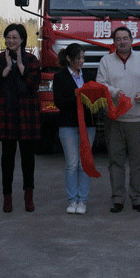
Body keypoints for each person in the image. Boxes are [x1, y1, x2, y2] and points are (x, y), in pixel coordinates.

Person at [97, 26, 140, 214]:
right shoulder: (106, 61)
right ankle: (118, 198)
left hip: (138, 119)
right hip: (115, 120)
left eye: (125, 38)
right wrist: (114, 92)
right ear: (113, 42)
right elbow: (100, 84)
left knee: (138, 162)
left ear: (132, 40)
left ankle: (138, 198)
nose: (122, 42)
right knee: (116, 161)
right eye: (118, 39)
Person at [0, 23, 42, 213]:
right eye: (8, 37)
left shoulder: (32, 60)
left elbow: (35, 83)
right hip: (6, 114)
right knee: (7, 158)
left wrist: (20, 67)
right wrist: (5, 71)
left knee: (28, 158)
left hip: (27, 114)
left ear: (22, 40)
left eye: (15, 37)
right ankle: (7, 198)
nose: (11, 41)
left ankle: (29, 197)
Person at [53, 43, 94, 215]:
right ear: (69, 59)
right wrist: (77, 96)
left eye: (83, 58)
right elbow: (59, 102)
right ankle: (72, 200)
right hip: (68, 125)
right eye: (78, 58)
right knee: (72, 164)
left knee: (84, 163)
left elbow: (95, 100)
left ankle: (83, 200)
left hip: (88, 125)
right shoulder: (60, 77)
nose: (81, 62)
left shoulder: (90, 75)